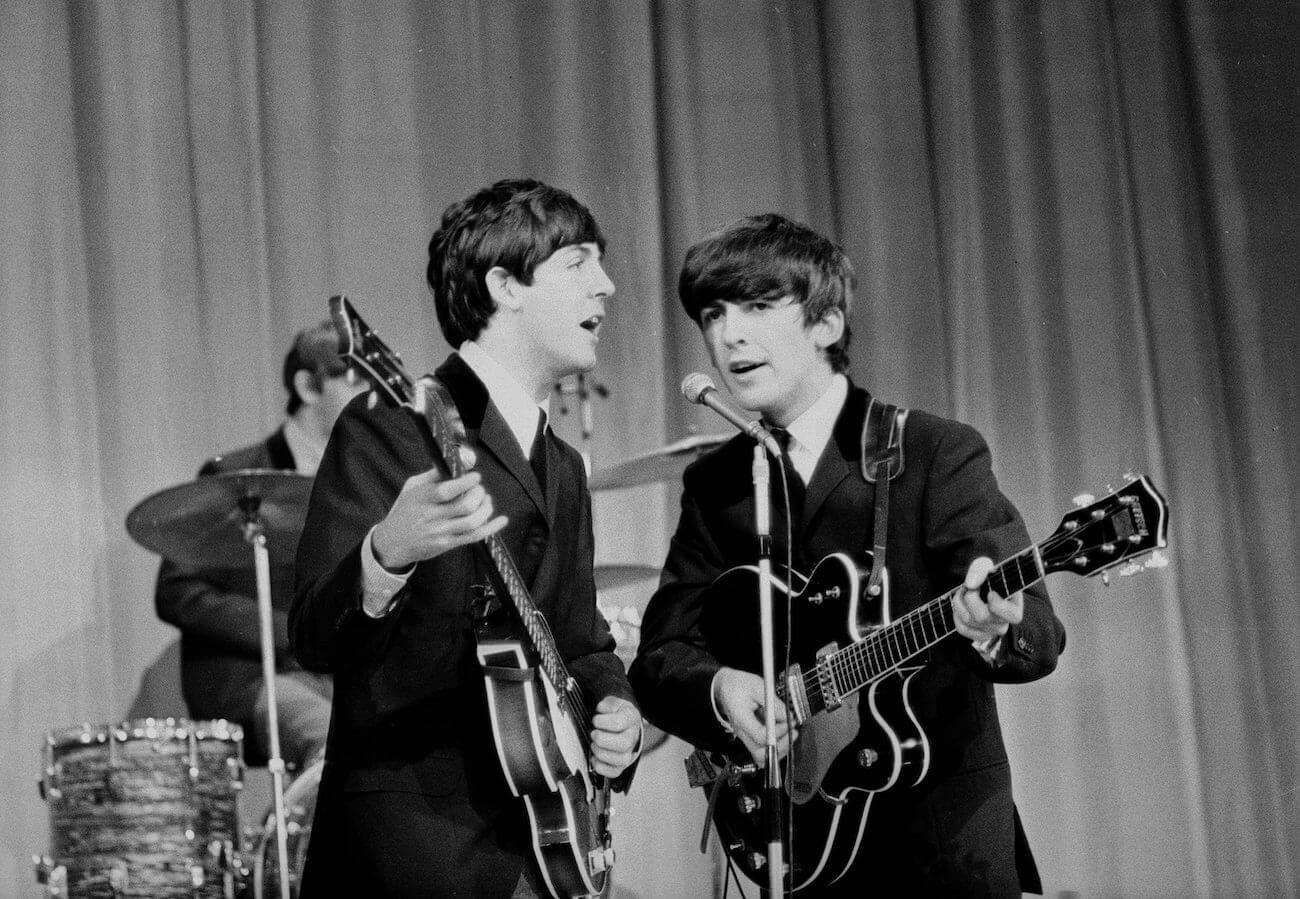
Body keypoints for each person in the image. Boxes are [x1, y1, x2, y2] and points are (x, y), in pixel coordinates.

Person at [629, 213, 1067, 897]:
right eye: (713, 314)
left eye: (758, 306)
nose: (728, 334)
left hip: (943, 855)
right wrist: (723, 687)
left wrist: (997, 624)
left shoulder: (931, 453)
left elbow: (1039, 634)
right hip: (800, 854)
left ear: (828, 322)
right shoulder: (717, 487)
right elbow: (659, 660)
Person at [290, 178, 642, 896]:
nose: (605, 286)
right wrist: (386, 554)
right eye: (578, 264)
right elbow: (313, 638)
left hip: (543, 845)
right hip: (413, 850)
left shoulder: (565, 466)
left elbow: (579, 640)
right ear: (505, 285)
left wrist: (617, 709)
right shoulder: (390, 425)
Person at [155, 320, 365, 770]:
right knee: (334, 738)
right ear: (308, 386)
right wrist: (291, 633)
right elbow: (179, 593)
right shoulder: (235, 477)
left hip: (339, 676)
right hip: (257, 677)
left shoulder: (362, 485)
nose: (374, 397)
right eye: (355, 379)